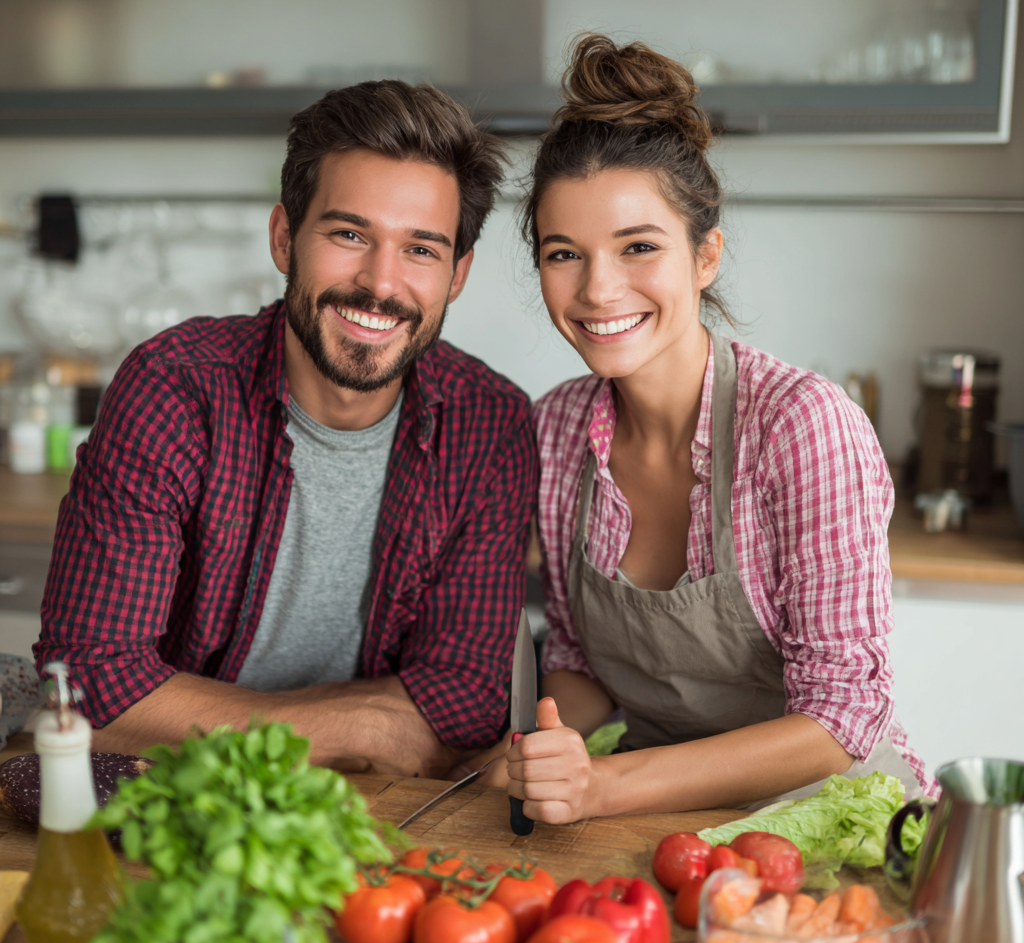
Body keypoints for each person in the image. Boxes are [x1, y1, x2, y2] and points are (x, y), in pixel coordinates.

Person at [35, 80, 537, 778]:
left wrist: (197, 714)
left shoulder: (490, 424)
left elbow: (466, 702)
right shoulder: (174, 390)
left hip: (379, 817)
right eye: (349, 234)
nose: (380, 283)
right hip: (176, 800)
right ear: (284, 238)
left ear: (456, 275)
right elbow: (91, 686)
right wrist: (365, 724)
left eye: (421, 250)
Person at [502, 35, 935, 823]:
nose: (599, 289)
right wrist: (546, 742)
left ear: (705, 258)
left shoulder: (800, 427)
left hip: (825, 815)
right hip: (656, 820)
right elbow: (577, 659)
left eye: (638, 247)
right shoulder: (556, 430)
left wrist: (604, 787)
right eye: (565, 254)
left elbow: (841, 717)